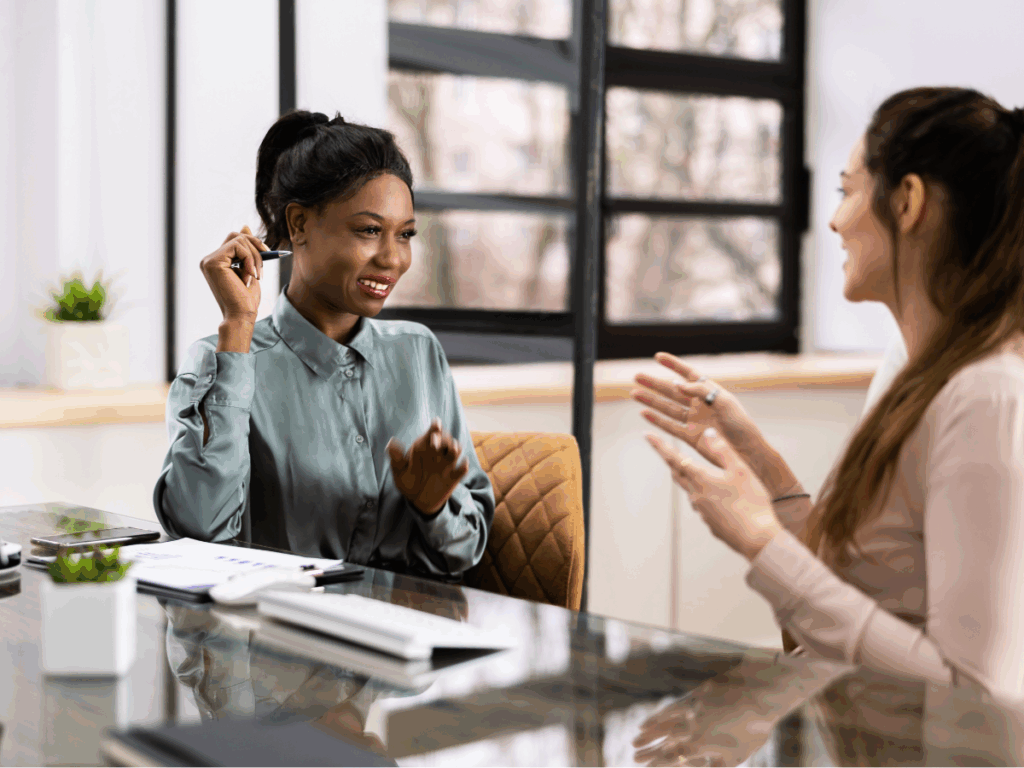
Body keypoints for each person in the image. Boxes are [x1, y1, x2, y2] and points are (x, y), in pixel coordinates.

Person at [632, 87, 1024, 702]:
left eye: (846, 192)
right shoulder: (918, 378)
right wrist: (764, 470)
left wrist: (760, 542)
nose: (836, 221)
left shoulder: (987, 397)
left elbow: (976, 697)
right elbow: (870, 588)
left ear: (909, 201)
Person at [153, 111, 494, 579]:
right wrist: (238, 325)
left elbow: (466, 549)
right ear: (298, 225)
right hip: (275, 639)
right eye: (369, 230)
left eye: (406, 234)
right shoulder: (223, 360)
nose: (393, 258)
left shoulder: (417, 353)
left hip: (403, 636)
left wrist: (433, 507)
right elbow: (198, 534)